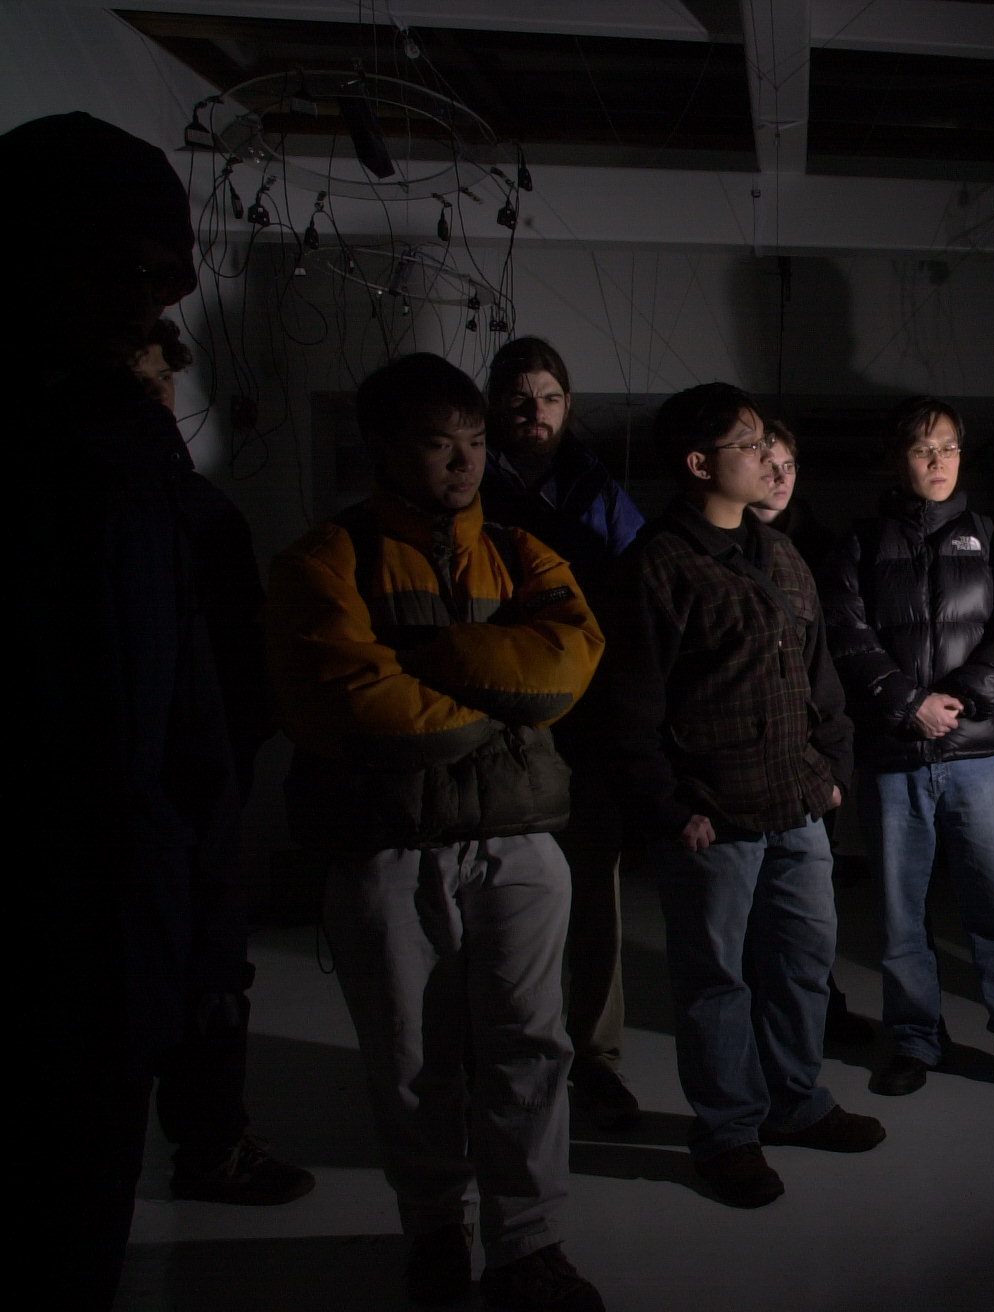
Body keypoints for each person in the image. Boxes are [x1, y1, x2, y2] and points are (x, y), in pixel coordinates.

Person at [6, 109, 292, 1311]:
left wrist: (199, 935)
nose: (151, 310)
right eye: (130, 274)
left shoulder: (138, 471)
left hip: (117, 919)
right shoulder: (106, 466)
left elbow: (198, 725)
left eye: (162, 282)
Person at [265, 353, 606, 1310]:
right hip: (388, 845)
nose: (463, 463)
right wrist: (497, 697)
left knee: (533, 1045)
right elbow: (351, 700)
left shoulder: (523, 548)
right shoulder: (324, 558)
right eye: (436, 443)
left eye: (476, 442)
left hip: (519, 837)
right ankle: (433, 1229)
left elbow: (566, 664)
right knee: (412, 1057)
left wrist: (427, 657)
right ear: (381, 447)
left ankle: (529, 1243)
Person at [586, 382, 882, 1211]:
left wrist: (834, 769)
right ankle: (727, 1134)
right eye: (748, 445)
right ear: (698, 463)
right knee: (717, 981)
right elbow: (630, 709)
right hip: (714, 819)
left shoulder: (781, 555)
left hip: (798, 805)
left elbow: (821, 676)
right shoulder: (657, 566)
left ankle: (797, 1102)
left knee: (801, 964)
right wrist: (671, 807)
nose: (765, 459)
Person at [824, 396, 994, 1107]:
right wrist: (910, 705)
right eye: (922, 449)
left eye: (948, 448)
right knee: (900, 914)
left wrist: (957, 701)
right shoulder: (859, 544)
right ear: (898, 459)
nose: (937, 462)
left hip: (977, 759)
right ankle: (914, 1040)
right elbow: (846, 636)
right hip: (894, 756)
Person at [114, 317, 315, 1205]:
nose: (152, 399)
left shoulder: (199, 512)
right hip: (129, 787)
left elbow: (243, 655)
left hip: (200, 779)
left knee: (212, 969)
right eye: (137, 382)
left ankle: (211, 1142)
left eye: (157, 382)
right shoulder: (109, 503)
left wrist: (228, 758)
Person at [483, 336, 646, 1131]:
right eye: (520, 398)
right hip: (497, 720)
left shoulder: (599, 490)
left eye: (549, 396)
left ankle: (598, 1060)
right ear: (496, 406)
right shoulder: (470, 487)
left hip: (588, 721)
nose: (535, 412)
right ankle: (509, 1058)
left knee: (593, 895)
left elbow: (639, 593)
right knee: (503, 900)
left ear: (569, 403)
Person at [751, 418, 874, 1047]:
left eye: (789, 466)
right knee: (749, 899)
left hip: (807, 748)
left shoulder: (823, 549)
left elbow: (837, 658)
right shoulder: (716, 547)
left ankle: (817, 1007)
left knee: (809, 898)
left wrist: (835, 764)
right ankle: (766, 1015)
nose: (779, 478)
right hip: (744, 749)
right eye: (767, 464)